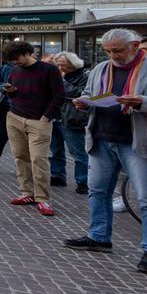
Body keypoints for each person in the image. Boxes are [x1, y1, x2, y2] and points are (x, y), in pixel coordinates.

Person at [65, 27, 147, 275]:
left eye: (118, 50)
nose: (113, 55)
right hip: (102, 139)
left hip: (139, 143)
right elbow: (90, 94)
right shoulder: (101, 69)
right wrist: (84, 103)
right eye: (108, 51)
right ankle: (99, 236)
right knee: (98, 192)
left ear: (135, 46)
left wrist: (144, 102)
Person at [3, 40, 66, 216]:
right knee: (20, 157)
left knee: (39, 158)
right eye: (13, 60)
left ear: (27, 53)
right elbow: (15, 93)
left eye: (17, 58)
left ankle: (43, 198)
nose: (16, 63)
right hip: (15, 117)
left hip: (39, 120)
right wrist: (10, 91)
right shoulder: (15, 70)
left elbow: (59, 95)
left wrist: (47, 116)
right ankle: (27, 193)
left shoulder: (49, 70)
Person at [50, 52, 91, 194]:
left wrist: (62, 81)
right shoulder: (56, 76)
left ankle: (83, 181)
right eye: (58, 65)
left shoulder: (84, 77)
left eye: (63, 64)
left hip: (72, 118)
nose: (60, 67)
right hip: (55, 116)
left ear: (73, 64)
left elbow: (78, 93)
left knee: (78, 152)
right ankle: (57, 175)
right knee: (55, 149)